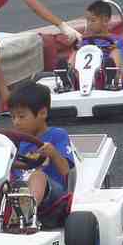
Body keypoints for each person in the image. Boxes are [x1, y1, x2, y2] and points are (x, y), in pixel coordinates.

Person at [8, 82, 74, 215]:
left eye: (21, 117)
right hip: (19, 188)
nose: (16, 122)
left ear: (42, 113)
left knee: (38, 176)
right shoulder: (15, 142)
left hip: (52, 193)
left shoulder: (57, 135)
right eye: (13, 117)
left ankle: (25, 213)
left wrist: (54, 154)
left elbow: (68, 172)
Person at [72, 0, 123, 88]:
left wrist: (113, 49)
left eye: (93, 20)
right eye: (87, 21)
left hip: (106, 72)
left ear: (105, 20)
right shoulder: (84, 40)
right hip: (85, 75)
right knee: (76, 53)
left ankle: (111, 80)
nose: (89, 24)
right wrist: (78, 49)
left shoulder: (117, 40)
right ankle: (69, 78)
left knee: (116, 52)